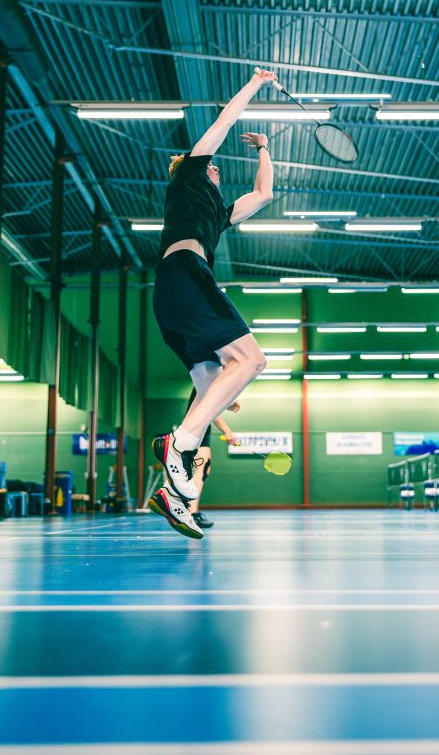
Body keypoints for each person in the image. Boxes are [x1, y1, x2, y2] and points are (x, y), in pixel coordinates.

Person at [147, 68, 277, 538]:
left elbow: (263, 194)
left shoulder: (216, 214)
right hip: (186, 275)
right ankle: (176, 443)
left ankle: (175, 496)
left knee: (211, 388)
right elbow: (224, 122)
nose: (216, 169)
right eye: (210, 165)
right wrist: (257, 84)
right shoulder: (187, 181)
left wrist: (265, 149)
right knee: (253, 360)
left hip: (172, 293)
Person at [184, 388, 239, 530]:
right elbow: (209, 409)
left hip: (199, 428)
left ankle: (190, 512)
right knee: (200, 471)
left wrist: (227, 404)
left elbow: (211, 403)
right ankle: (191, 514)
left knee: (202, 471)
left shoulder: (206, 376)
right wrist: (227, 431)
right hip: (197, 429)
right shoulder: (209, 373)